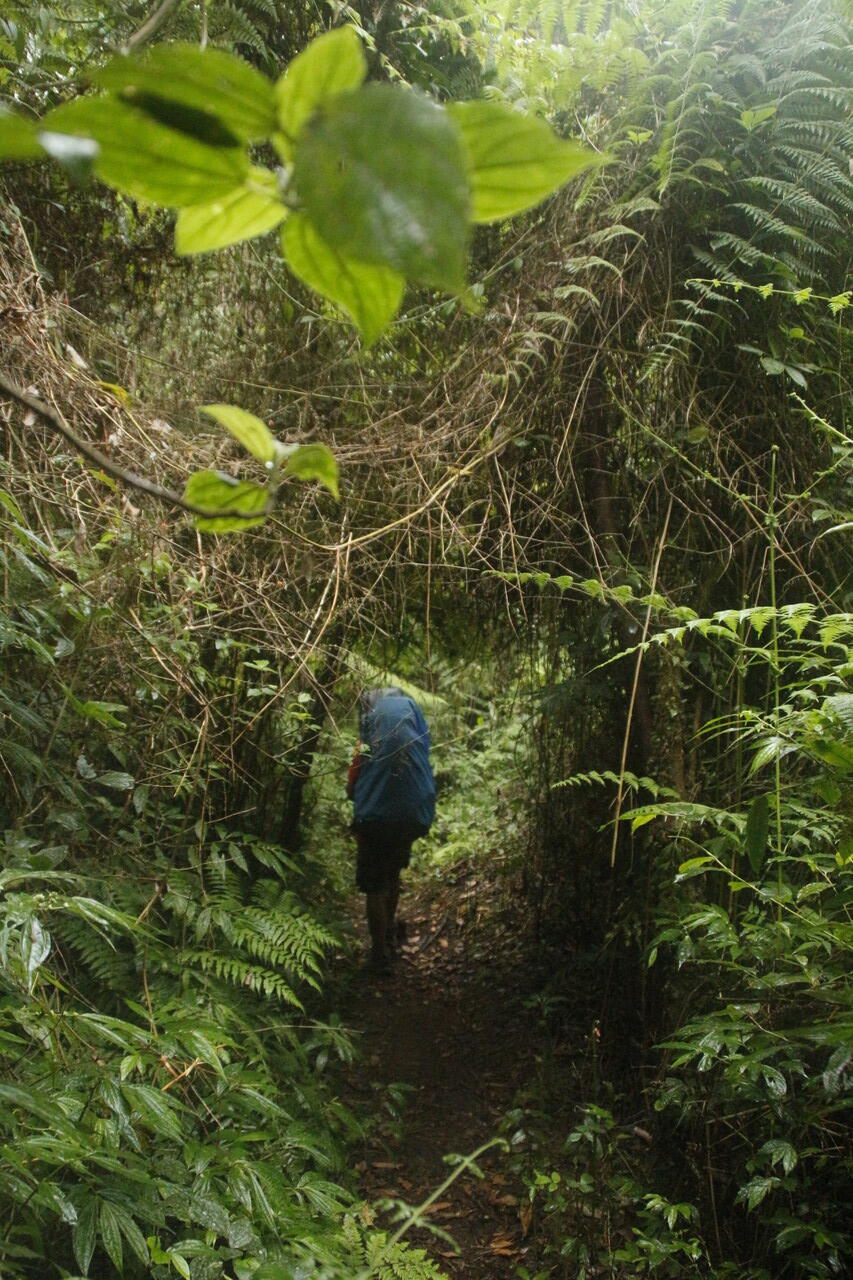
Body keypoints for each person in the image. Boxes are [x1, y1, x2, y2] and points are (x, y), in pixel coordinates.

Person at [347, 686, 435, 974]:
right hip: (408, 817)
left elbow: (352, 784)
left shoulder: (368, 737)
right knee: (393, 874)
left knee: (375, 886)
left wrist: (364, 795)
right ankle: (388, 938)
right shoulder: (413, 728)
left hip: (373, 821)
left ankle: (378, 953)